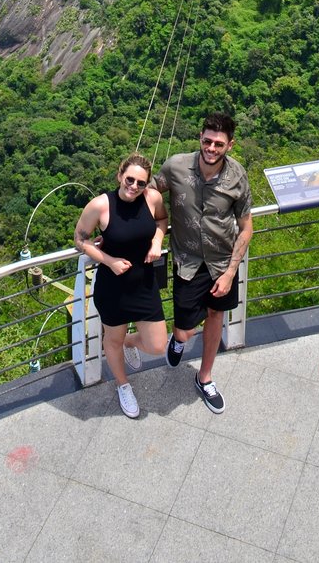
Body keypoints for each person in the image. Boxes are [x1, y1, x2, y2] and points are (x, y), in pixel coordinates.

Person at [155, 113, 253, 414]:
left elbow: (246, 226)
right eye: (207, 141)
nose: (211, 148)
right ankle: (178, 338)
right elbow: (145, 194)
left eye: (219, 144)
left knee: (215, 315)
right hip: (187, 261)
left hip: (222, 262)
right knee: (185, 329)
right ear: (200, 137)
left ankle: (205, 376)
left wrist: (231, 272)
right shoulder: (176, 166)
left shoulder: (237, 177)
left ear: (230, 145)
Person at [74, 153, 169, 419]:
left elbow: (162, 220)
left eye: (141, 182)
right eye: (130, 179)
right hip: (112, 286)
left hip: (144, 283)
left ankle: (128, 343)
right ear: (119, 176)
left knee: (158, 345)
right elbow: (80, 240)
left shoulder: (152, 199)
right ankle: (123, 384)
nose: (134, 187)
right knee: (111, 340)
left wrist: (157, 242)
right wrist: (109, 260)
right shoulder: (101, 205)